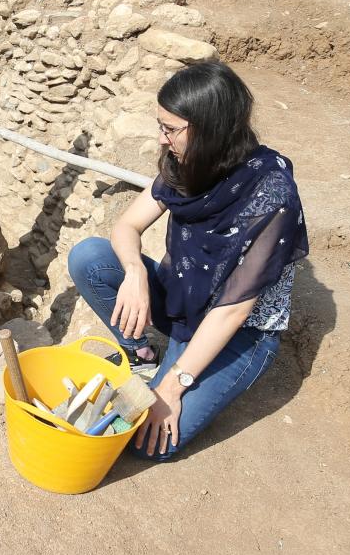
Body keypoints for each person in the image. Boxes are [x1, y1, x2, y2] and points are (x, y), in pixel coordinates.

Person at [67, 61, 308, 460]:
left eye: (170, 129)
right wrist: (134, 275)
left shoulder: (271, 194)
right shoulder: (187, 162)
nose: (161, 140)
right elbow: (127, 224)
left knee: (145, 440)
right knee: (90, 257)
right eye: (160, 125)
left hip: (240, 332)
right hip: (184, 299)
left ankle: (172, 370)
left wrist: (173, 386)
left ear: (212, 130)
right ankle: (141, 355)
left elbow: (232, 311)